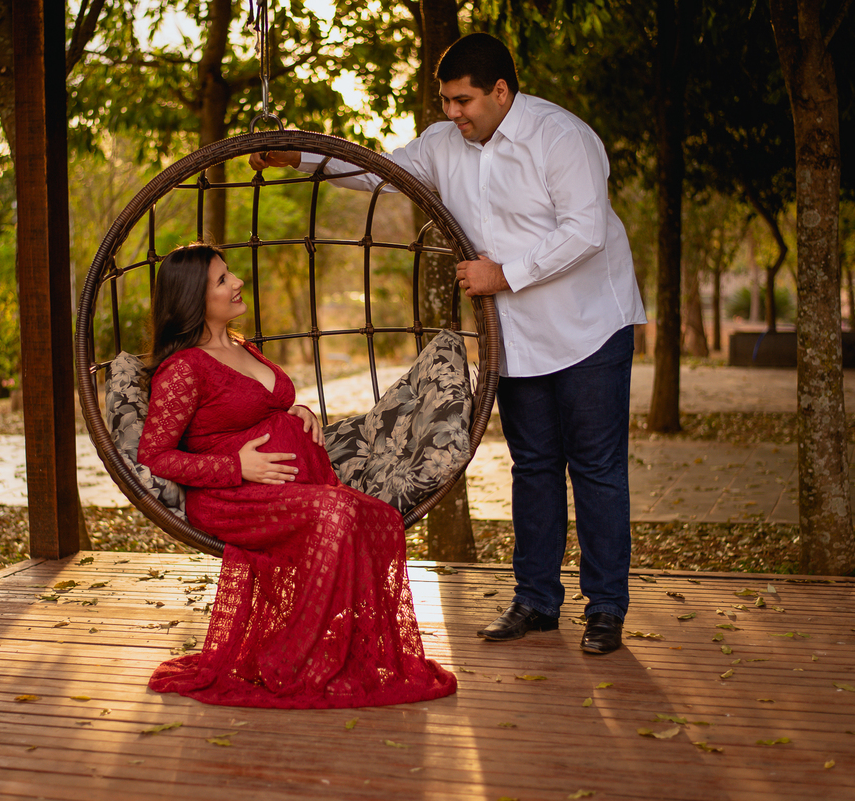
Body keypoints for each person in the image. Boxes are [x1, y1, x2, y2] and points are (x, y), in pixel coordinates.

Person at [250, 32, 646, 655]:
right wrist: (295, 156)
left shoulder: (561, 137)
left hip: (590, 326)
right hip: (518, 338)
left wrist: (503, 274)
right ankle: (537, 600)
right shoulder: (443, 145)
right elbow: (378, 173)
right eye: (445, 102)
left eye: (463, 101)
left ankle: (606, 609)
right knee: (534, 467)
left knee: (595, 469)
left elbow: (585, 230)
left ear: (501, 91)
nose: (452, 113)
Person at [137, 242, 457, 708]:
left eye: (231, 274)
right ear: (193, 298)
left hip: (288, 488)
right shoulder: (184, 369)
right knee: (336, 514)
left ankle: (334, 650)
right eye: (222, 280)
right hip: (232, 497)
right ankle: (290, 658)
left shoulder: (241, 346)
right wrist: (235, 466)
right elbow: (155, 455)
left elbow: (262, 406)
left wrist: (297, 410)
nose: (237, 282)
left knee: (379, 517)